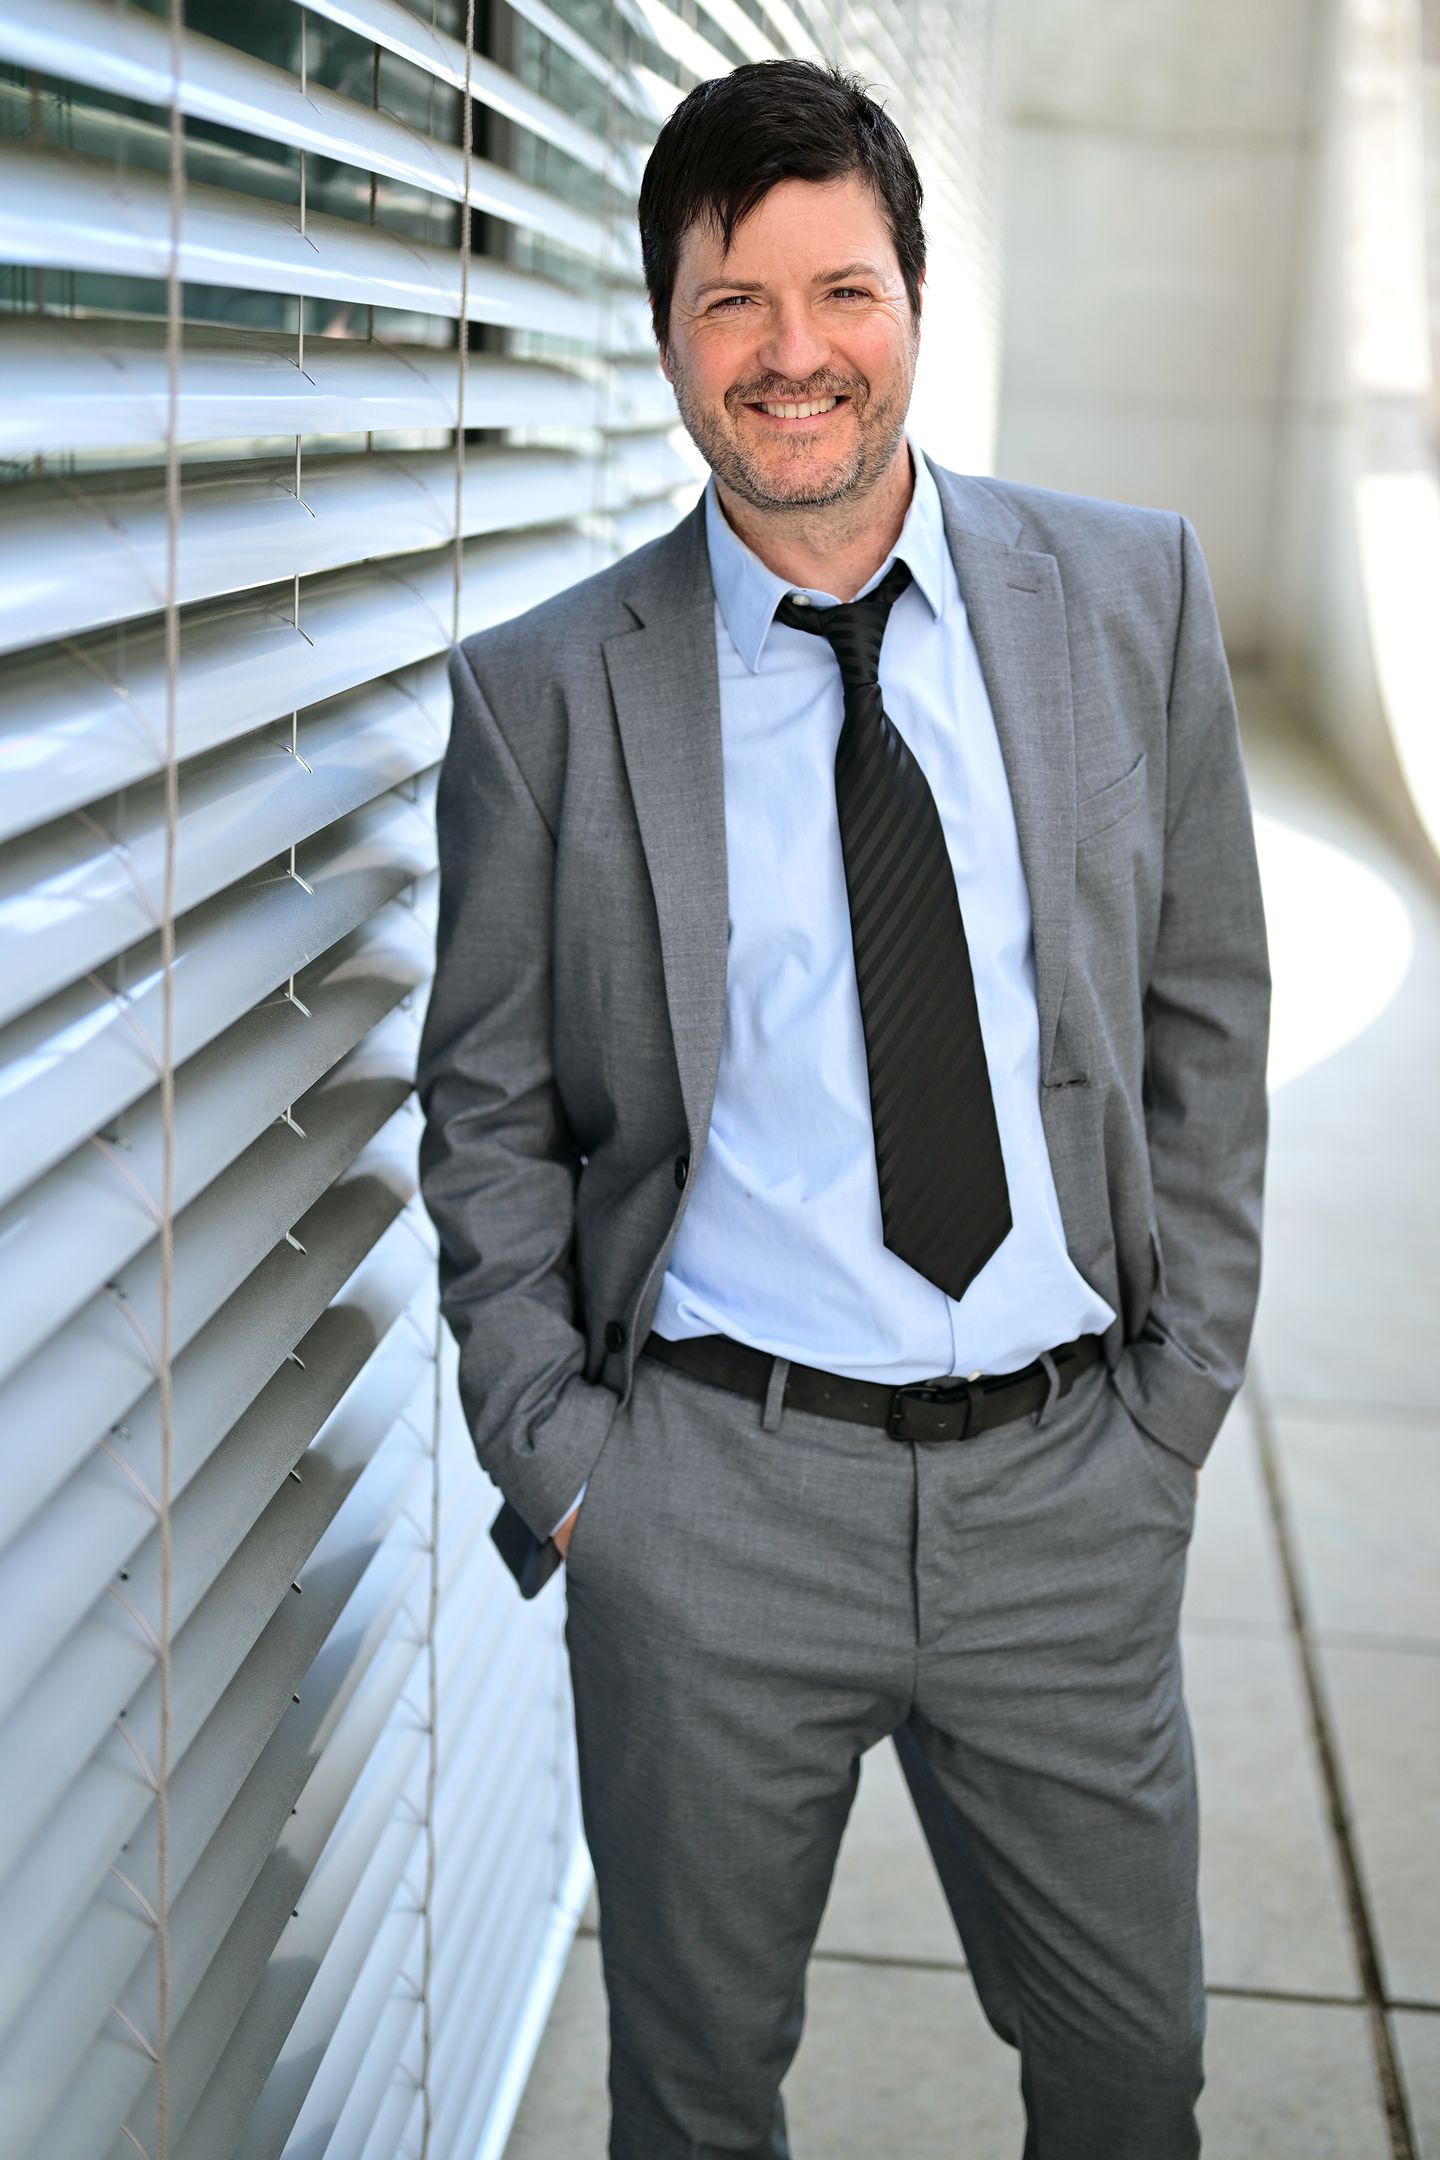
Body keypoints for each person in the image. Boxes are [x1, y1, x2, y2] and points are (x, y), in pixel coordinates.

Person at [416, 54, 1270, 2160]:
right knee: (696, 2102)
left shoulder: (1128, 598)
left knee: (1132, 2080)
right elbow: (490, 1109)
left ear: (915, 303)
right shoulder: (545, 696)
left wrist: (1174, 1408)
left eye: (842, 291)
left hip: (1069, 1492)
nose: (793, 352)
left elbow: (1205, 1014)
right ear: (667, 334)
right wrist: (572, 1473)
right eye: (735, 300)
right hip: (713, 1503)